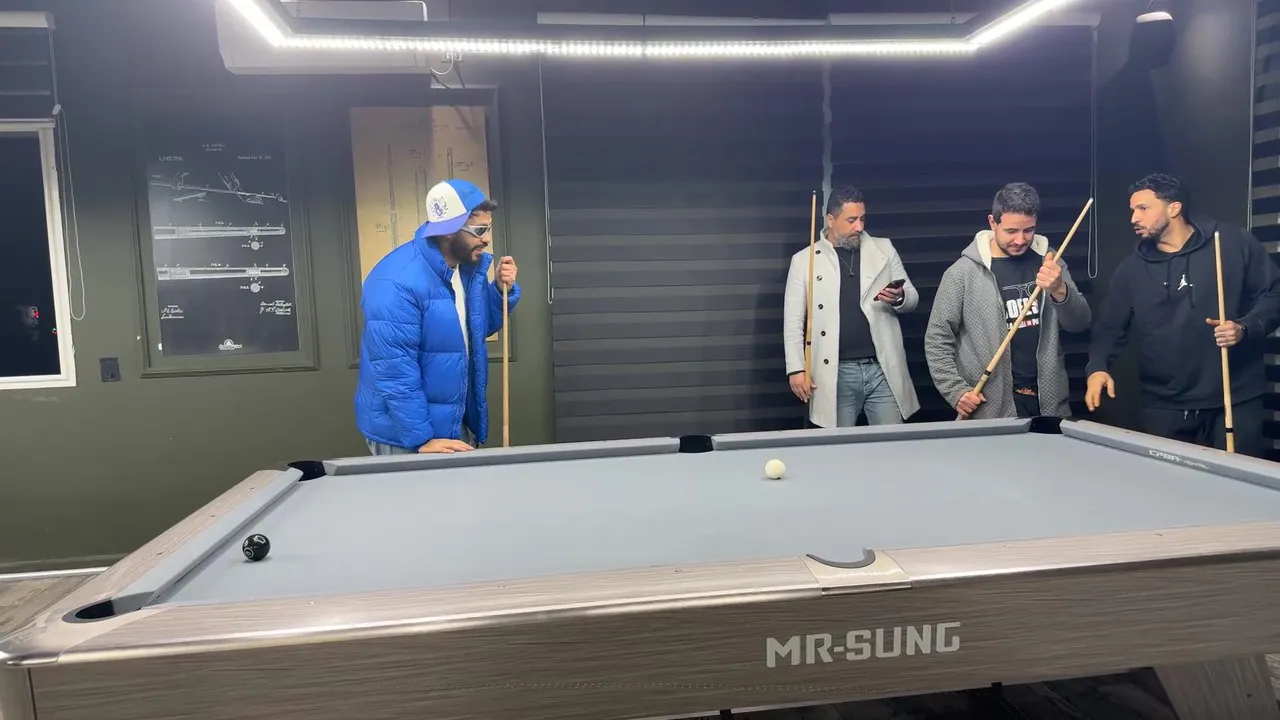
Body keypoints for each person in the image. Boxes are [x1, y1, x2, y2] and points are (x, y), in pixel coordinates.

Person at [1085, 173, 1280, 457]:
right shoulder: (1131, 269)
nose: (1134, 218)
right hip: (1164, 404)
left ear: (1174, 208)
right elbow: (1109, 327)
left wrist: (1244, 327)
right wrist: (1098, 367)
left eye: (1143, 208)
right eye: (1132, 210)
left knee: (1237, 482)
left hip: (1234, 396)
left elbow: (1274, 294)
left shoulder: (1231, 242)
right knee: (1169, 485)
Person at [354, 179, 520, 455]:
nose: (487, 239)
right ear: (448, 231)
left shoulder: (463, 271)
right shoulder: (395, 281)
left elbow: (474, 330)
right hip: (407, 436)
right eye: (479, 230)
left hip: (450, 424)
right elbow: (394, 370)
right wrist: (421, 439)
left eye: (488, 228)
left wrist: (502, 292)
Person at [925, 182, 1091, 419]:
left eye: (1029, 230)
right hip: (990, 408)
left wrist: (1059, 289)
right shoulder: (962, 272)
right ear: (993, 222)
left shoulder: (1050, 261)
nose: (1020, 240)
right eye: (1011, 231)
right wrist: (956, 391)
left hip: (1049, 401)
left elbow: (1080, 322)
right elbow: (937, 338)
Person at [783, 185, 920, 428]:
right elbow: (793, 321)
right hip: (835, 372)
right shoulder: (804, 260)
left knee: (892, 443)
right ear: (831, 220)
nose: (859, 227)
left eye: (862, 219)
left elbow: (912, 297)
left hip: (882, 368)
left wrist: (899, 297)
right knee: (838, 446)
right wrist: (796, 369)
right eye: (851, 220)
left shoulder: (884, 249)